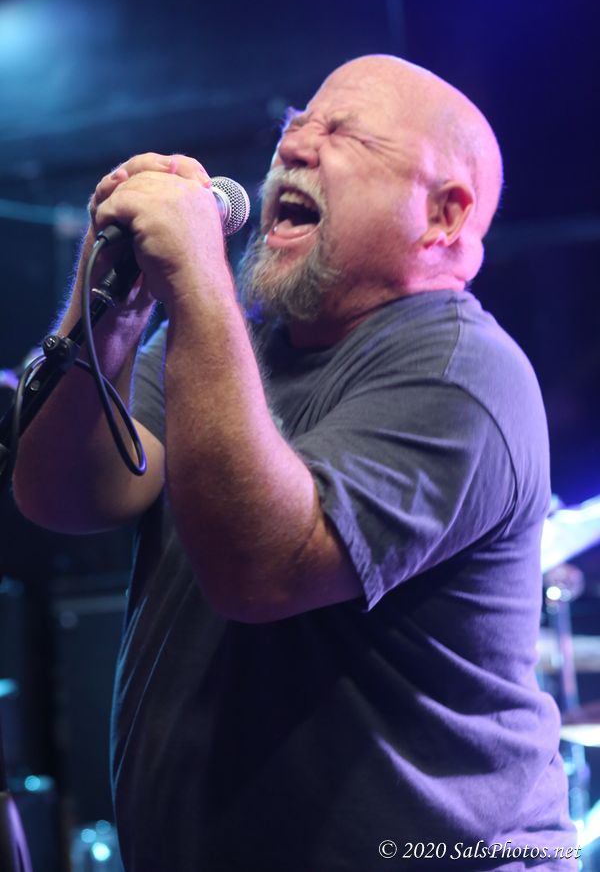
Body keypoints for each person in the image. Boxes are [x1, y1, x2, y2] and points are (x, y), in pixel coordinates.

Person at [13, 55, 575, 870]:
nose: (294, 148)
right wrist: (111, 310)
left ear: (444, 215)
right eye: (296, 127)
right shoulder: (236, 340)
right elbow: (63, 494)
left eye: (343, 135)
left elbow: (262, 570)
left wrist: (196, 278)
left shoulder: (462, 371)